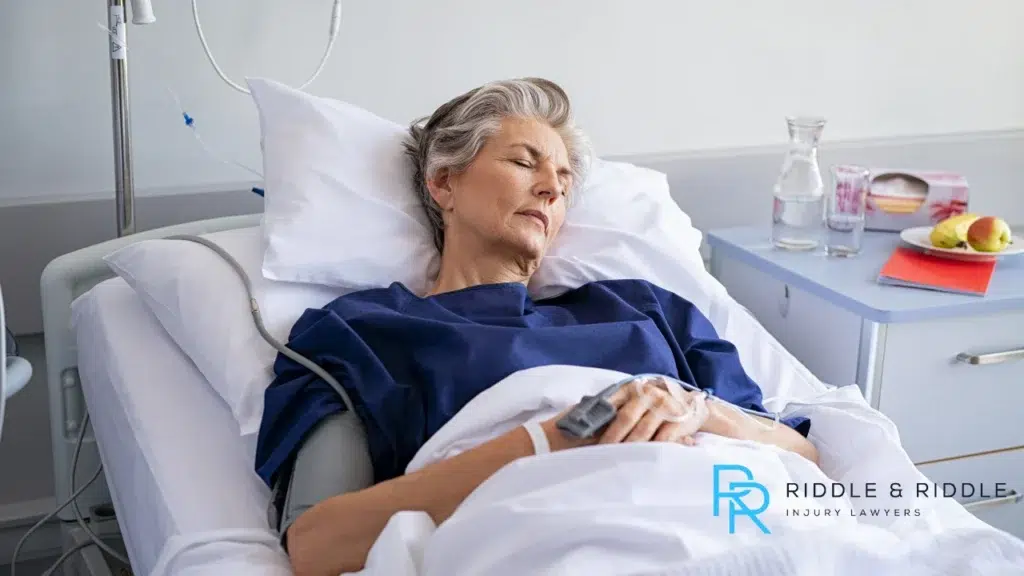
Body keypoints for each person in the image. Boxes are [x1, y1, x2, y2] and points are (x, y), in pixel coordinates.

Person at [254, 77, 818, 576]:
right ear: (443, 185)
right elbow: (318, 544)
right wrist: (548, 440)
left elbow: (798, 456)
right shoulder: (364, 332)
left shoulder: (647, 311)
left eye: (565, 181)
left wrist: (698, 408)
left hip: (727, 521)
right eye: (525, 163)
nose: (552, 188)